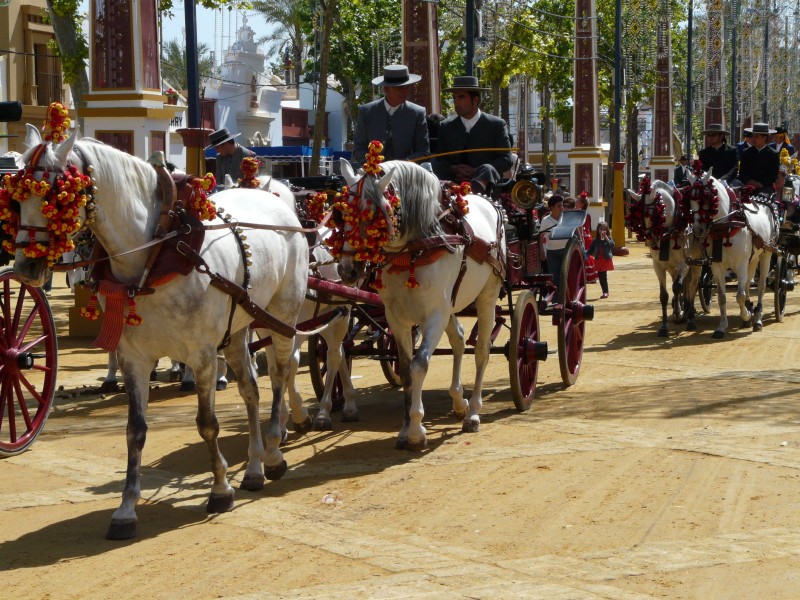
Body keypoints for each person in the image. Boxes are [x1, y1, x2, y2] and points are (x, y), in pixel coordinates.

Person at [431, 76, 513, 195]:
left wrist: (475, 171)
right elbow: (440, 159)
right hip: (453, 180)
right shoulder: (446, 126)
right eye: (454, 98)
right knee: (432, 164)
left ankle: (475, 194)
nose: (456, 103)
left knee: (487, 168)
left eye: (461, 97)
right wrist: (455, 169)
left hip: (486, 182)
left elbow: (506, 159)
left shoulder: (496, 124)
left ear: (475, 100)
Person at [352, 64, 430, 166]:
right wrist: (373, 164)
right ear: (386, 89)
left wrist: (403, 164)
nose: (405, 91)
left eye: (407, 87)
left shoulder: (417, 113)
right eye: (400, 88)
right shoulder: (366, 112)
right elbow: (358, 149)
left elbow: (423, 151)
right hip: (372, 173)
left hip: (405, 174)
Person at [737, 122, 780, 197]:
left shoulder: (773, 154)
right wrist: (751, 182)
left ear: (765, 137)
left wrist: (761, 184)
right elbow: (742, 173)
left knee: (762, 198)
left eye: (757, 136)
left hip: (765, 187)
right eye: (753, 136)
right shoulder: (746, 153)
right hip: (748, 186)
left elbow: (773, 176)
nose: (753, 139)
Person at [540, 194, 568, 289]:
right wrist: (541, 251)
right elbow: (541, 235)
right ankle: (556, 301)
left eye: (562, 205)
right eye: (558, 206)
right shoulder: (545, 220)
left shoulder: (566, 218)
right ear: (551, 207)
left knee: (566, 276)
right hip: (552, 252)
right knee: (554, 278)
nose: (561, 208)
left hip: (566, 250)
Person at [588, 221, 615, 299]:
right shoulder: (595, 240)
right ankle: (605, 291)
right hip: (598, 260)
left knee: (603, 276)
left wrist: (606, 238)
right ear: (598, 230)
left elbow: (611, 245)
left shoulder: (608, 238)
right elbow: (590, 250)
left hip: (605, 260)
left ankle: (605, 292)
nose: (602, 231)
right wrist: (585, 254)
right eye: (601, 229)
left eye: (604, 229)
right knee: (600, 276)